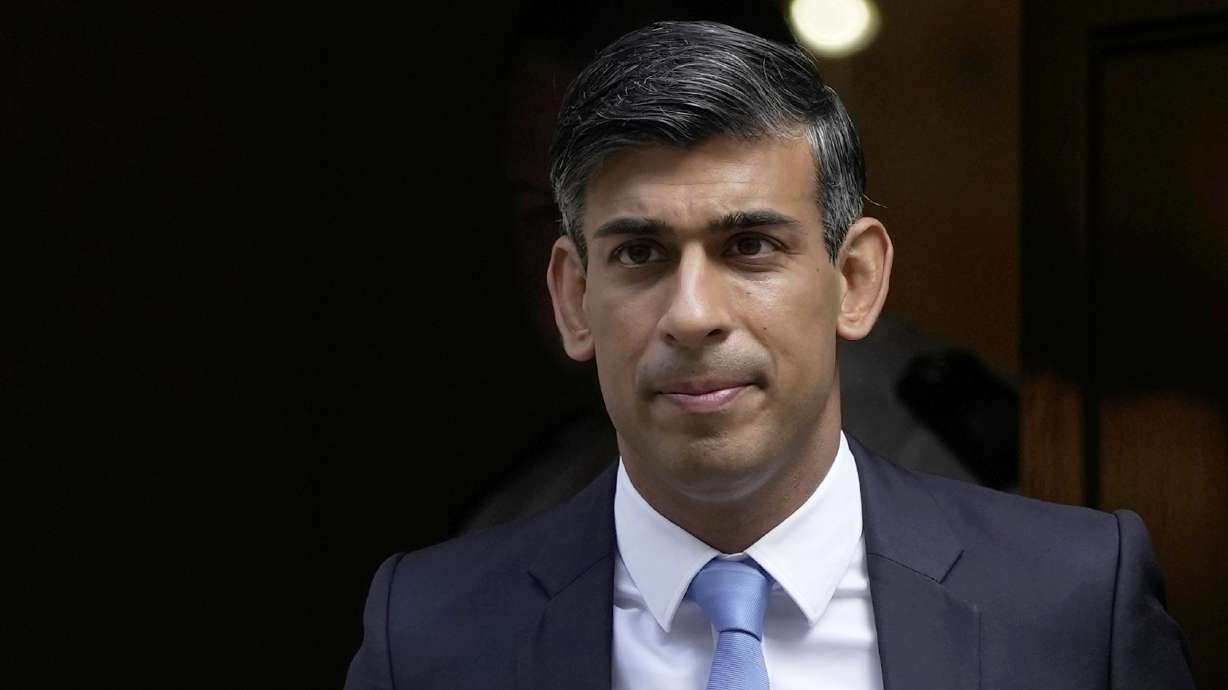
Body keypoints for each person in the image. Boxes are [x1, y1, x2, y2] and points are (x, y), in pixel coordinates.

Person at [343, 20, 1193, 689]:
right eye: (639, 252)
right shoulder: (429, 631)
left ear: (855, 280)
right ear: (573, 298)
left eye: (749, 246)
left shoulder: (1073, 599)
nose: (693, 315)